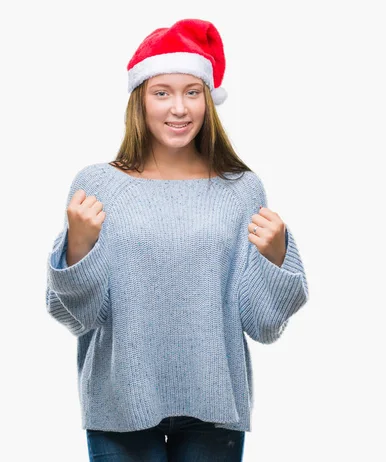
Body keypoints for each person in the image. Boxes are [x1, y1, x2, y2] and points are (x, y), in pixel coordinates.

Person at [45, 18, 309, 461]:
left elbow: (261, 325)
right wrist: (79, 249)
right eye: (161, 92)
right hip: (119, 402)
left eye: (192, 92)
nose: (179, 108)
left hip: (214, 403)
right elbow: (76, 316)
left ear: (208, 100)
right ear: (139, 101)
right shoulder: (98, 185)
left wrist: (277, 258)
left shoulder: (241, 188)